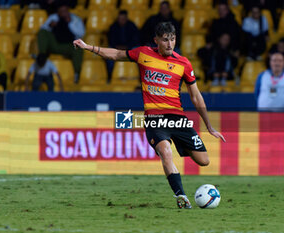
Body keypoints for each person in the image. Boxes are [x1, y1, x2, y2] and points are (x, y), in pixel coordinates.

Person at [73, 22, 226, 209]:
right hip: (155, 119)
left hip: (178, 119)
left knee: (204, 161)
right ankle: (181, 196)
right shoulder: (143, 53)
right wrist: (88, 47)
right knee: (165, 152)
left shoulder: (183, 63)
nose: (170, 44)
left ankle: (179, 148)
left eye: (172, 39)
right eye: (165, 40)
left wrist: (209, 126)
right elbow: (116, 54)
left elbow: (195, 96)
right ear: (156, 40)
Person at [37, 3, 85, 82]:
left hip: (68, 45)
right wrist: (50, 25)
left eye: (64, 11)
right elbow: (43, 30)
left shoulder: (75, 19)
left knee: (79, 47)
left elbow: (81, 34)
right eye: (61, 11)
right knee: (43, 33)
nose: (63, 13)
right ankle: (42, 56)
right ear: (58, 12)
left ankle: (76, 74)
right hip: (55, 44)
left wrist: (70, 23)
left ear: (68, 11)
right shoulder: (53, 18)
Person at [107, 10, 140, 79]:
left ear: (126, 18)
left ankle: (140, 76)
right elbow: (111, 40)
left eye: (123, 19)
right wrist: (117, 47)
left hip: (130, 48)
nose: (122, 20)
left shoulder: (132, 26)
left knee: (138, 51)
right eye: (120, 19)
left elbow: (136, 39)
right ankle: (110, 76)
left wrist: (128, 47)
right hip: (116, 48)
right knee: (109, 53)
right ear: (118, 19)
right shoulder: (113, 27)